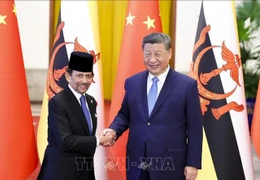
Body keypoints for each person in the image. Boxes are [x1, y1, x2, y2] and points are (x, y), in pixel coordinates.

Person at [102, 32, 203, 180]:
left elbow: (195, 128)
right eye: (147, 54)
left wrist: (192, 164)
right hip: (137, 160)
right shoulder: (132, 83)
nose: (152, 60)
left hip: (171, 164)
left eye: (158, 54)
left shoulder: (186, 86)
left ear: (169, 53)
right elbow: (125, 114)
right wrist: (113, 130)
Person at [38, 52, 116, 180]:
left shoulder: (91, 102)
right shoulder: (58, 102)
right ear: (68, 76)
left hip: (84, 171)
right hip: (61, 173)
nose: (85, 81)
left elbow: (86, 134)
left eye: (88, 76)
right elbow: (65, 141)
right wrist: (99, 140)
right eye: (79, 76)